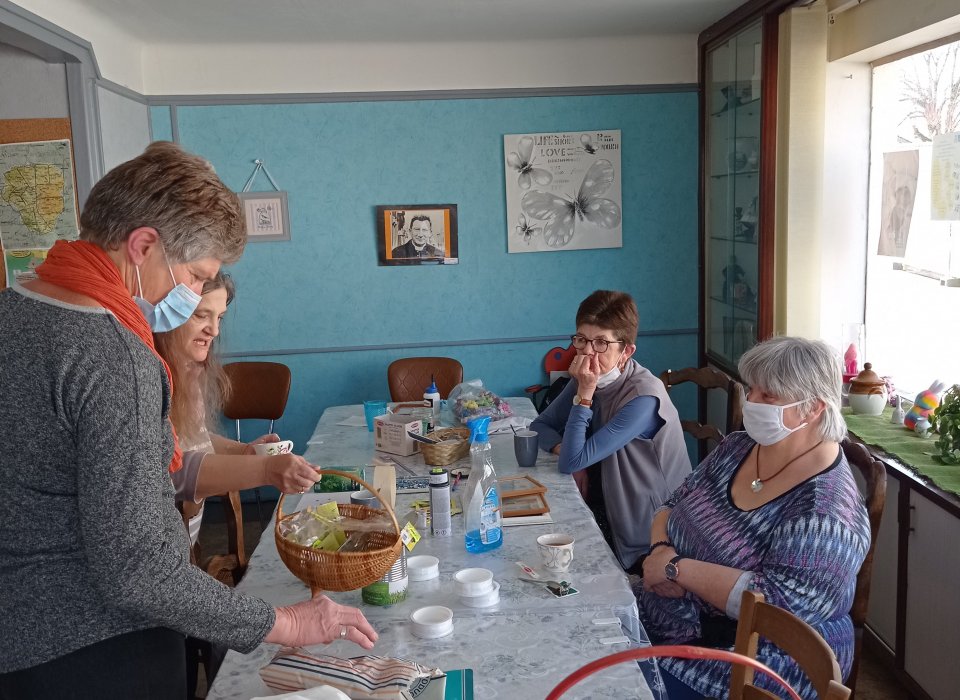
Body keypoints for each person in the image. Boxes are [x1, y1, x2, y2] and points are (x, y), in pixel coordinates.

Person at [0, 142, 376, 698]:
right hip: (98, 652)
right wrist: (284, 623)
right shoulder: (112, 356)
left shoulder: (14, 310)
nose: (197, 295)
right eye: (198, 278)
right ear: (143, 245)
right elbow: (139, 570)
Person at [636, 336, 871, 700]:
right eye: (751, 389)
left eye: (768, 396)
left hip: (753, 665)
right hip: (671, 620)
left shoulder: (825, 513)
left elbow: (776, 608)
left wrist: (674, 569)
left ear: (812, 409)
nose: (751, 402)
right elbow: (672, 503)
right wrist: (660, 551)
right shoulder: (739, 447)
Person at [530, 290, 691, 573]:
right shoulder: (590, 377)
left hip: (649, 532)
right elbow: (539, 426)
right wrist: (564, 448)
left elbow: (572, 461)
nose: (588, 352)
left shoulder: (643, 397)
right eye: (582, 339)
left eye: (602, 342)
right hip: (602, 501)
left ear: (626, 351)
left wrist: (585, 394)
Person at [155, 272, 319, 550]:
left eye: (219, 317)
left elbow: (194, 437)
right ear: (169, 315)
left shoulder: (188, 370)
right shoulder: (152, 378)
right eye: (200, 316)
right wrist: (265, 469)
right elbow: (174, 470)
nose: (214, 330)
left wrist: (243, 452)